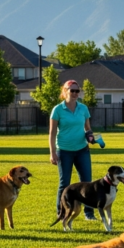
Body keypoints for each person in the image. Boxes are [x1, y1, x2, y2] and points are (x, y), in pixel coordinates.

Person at [48, 80, 95, 220]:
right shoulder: (57, 109)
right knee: (65, 183)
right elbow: (52, 132)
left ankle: (89, 213)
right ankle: (61, 213)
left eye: (77, 91)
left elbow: (88, 128)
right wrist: (52, 153)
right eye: (72, 90)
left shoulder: (83, 108)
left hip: (82, 150)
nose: (75, 93)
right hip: (64, 150)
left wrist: (91, 137)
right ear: (65, 91)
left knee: (87, 183)